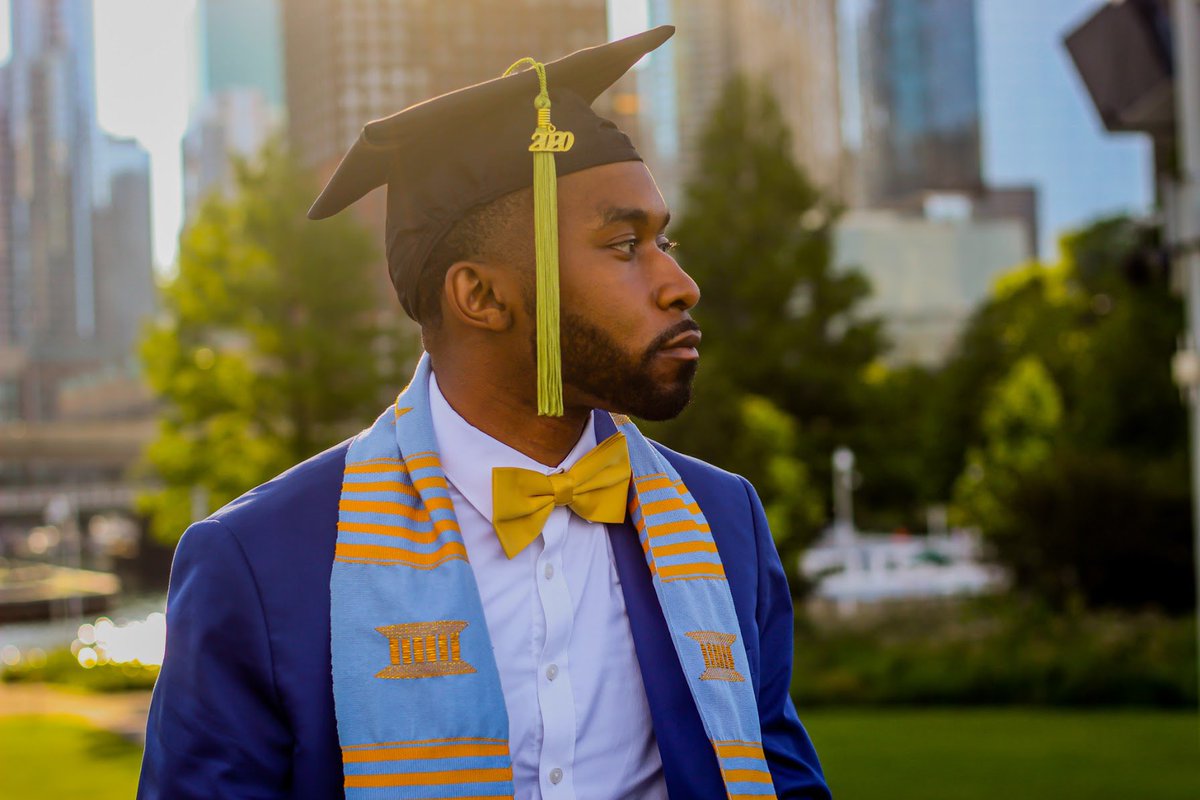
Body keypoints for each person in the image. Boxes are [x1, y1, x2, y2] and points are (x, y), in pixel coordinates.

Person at [138, 26, 830, 800]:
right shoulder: (264, 562)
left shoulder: (720, 521)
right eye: (624, 245)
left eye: (666, 239)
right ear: (482, 296)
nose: (680, 284)